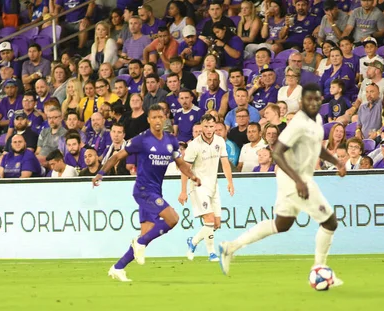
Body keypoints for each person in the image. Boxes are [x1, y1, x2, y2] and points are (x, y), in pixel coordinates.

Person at [219, 83, 346, 280]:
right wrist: (298, 182)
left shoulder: (317, 120)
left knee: (281, 224)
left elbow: (315, 147)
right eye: (309, 99)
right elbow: (277, 153)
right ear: (301, 102)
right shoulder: (297, 124)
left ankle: (230, 247)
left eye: (317, 99)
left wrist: (337, 161)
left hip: (297, 179)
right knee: (330, 222)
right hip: (294, 179)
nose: (313, 102)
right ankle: (319, 268)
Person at [92, 104, 201, 282]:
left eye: (160, 117)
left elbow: (181, 164)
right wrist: (101, 173)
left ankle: (118, 267)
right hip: (143, 190)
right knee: (172, 219)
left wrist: (192, 176)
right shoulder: (141, 140)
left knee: (147, 233)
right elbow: (117, 156)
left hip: (156, 190)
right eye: (154, 117)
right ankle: (139, 243)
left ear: (165, 118)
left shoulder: (171, 141)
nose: (158, 120)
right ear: (149, 120)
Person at [178, 114, 234, 261]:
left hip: (213, 186)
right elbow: (185, 169)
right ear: (201, 127)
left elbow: (225, 163)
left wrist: (230, 182)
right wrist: (183, 191)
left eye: (211, 126)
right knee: (209, 219)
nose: (209, 129)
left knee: (216, 224)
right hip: (198, 186)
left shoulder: (220, 141)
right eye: (206, 126)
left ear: (215, 127)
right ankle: (211, 253)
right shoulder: (194, 146)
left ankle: (193, 241)